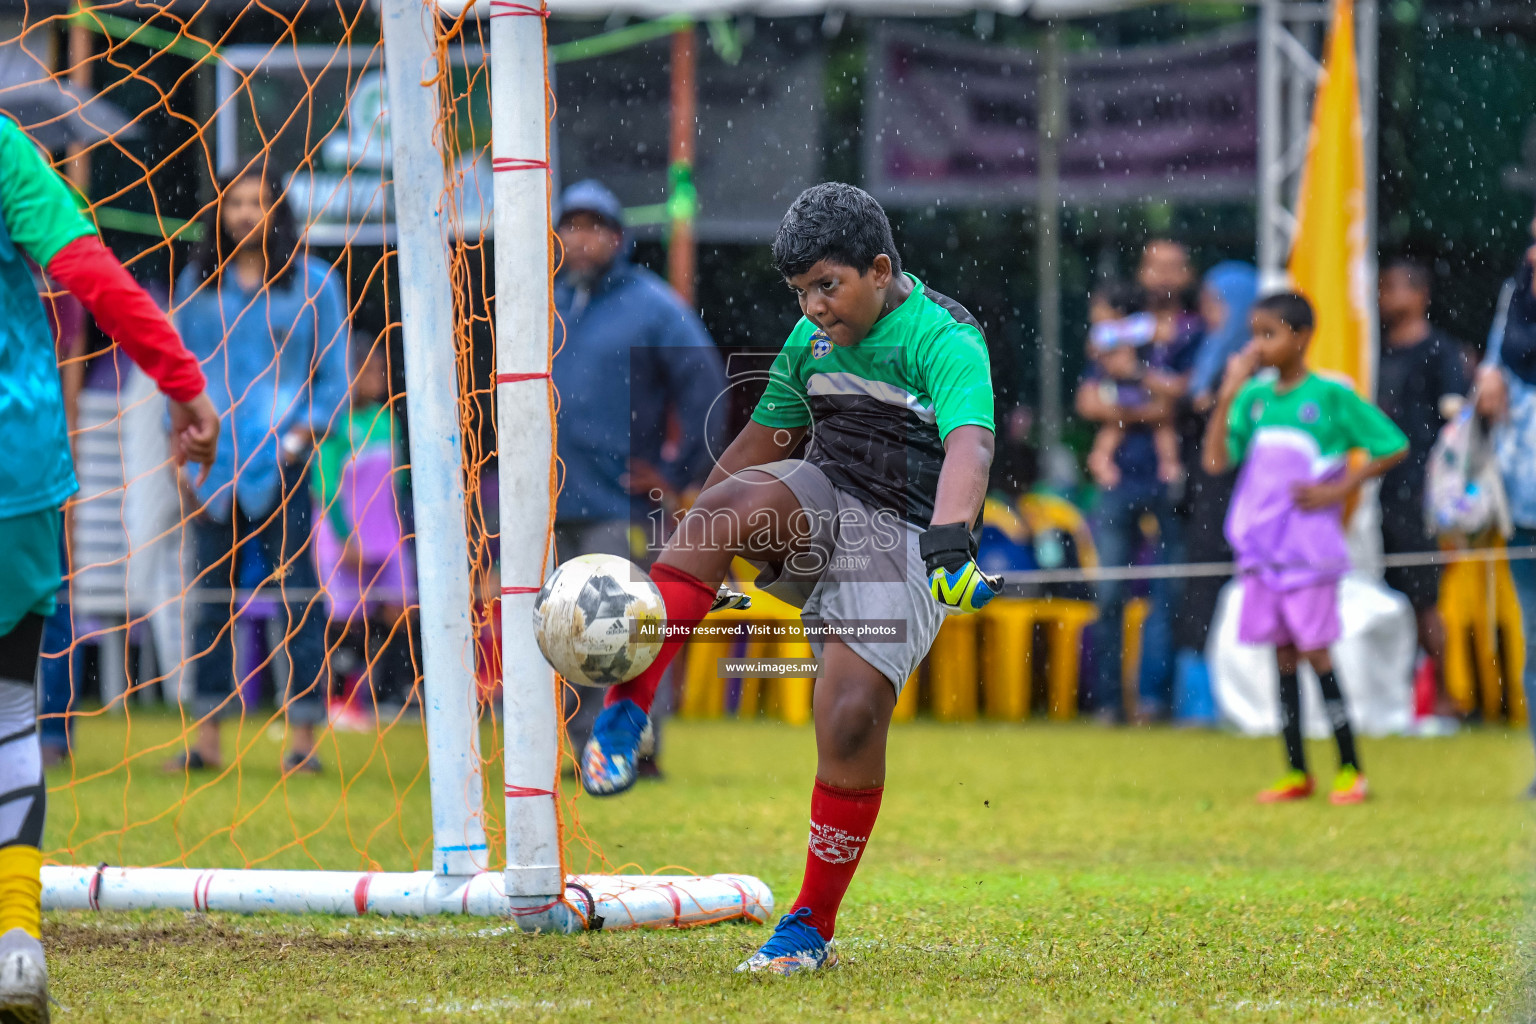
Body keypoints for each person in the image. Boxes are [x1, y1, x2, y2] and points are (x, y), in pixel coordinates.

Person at [578, 182, 996, 974]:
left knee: (845, 719)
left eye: (826, 287)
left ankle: (809, 924)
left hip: (905, 536)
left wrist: (949, 541)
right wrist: (691, 538)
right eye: (799, 291)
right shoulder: (812, 338)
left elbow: (971, 446)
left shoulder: (946, 338)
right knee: (723, 505)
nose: (812, 308)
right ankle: (628, 710)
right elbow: (756, 451)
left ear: (879, 270)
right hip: (823, 500)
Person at [0, 114, 219, 1023]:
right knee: (11, 704)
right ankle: (14, 945)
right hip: (10, 474)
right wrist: (183, 382)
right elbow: (90, 273)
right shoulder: (3, 145)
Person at [169, 169, 349, 774]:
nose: (246, 213)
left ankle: (303, 746)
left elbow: (333, 378)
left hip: (284, 466)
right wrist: (181, 454)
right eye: (235, 203)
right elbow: (179, 379)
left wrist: (300, 437)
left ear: (279, 212)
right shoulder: (197, 288)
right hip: (212, 470)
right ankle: (205, 745)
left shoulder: (314, 284)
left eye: (258, 202)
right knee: (208, 605)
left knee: (300, 599)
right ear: (217, 214)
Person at [1202, 292, 1407, 805]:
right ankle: (1296, 772)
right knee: (1284, 655)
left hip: (1309, 552)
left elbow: (1392, 444)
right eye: (1254, 333)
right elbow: (1214, 461)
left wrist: (1342, 488)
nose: (1259, 345)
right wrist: (1227, 393)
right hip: (1263, 554)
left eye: (1269, 333)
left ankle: (1350, 768)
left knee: (1316, 651)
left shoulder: (1330, 397)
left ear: (1301, 336)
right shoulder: (1253, 398)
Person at [551, 180, 725, 772]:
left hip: (619, 507)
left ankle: (638, 747)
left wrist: (676, 473)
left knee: (626, 631)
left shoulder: (652, 305)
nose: (581, 238)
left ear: (618, 237)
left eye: (594, 226)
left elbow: (706, 388)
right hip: (551, 505)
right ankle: (582, 751)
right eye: (571, 225)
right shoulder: (543, 303)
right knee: (566, 633)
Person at [1375, 259, 1468, 714]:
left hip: (1423, 492)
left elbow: (1457, 424)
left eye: (1393, 289)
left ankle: (1447, 695)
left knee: (1424, 597)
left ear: (1420, 295)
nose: (1384, 299)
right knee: (1390, 596)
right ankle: (1403, 694)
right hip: (1379, 490)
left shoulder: (1440, 351)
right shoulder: (1375, 351)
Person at [311, 338, 417, 717]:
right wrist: (344, 535)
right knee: (347, 618)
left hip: (384, 533)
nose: (380, 378)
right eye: (371, 370)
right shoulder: (334, 422)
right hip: (345, 535)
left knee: (400, 609)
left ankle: (392, 692)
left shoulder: (388, 420)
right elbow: (323, 481)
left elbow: (399, 480)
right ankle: (341, 701)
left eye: (382, 370)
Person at [1175, 261, 1258, 718]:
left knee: (1227, 589)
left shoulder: (1251, 365)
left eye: (1216, 303)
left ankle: (1232, 700)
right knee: (1198, 591)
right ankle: (1197, 703)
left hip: (1236, 493)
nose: (1207, 312)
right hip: (1204, 495)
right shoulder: (1203, 352)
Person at [1473, 211, 1536, 794]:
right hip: (1522, 499)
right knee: (1535, 638)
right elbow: (1495, 363)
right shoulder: (1516, 298)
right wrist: (1488, 377)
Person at [1083, 283, 1180, 490]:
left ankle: (1169, 463)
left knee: (1162, 427)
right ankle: (1101, 457)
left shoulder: (1136, 326)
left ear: (1116, 310)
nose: (1093, 314)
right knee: (1115, 427)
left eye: (1098, 308)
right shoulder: (1107, 332)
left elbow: (1165, 331)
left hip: (1139, 389)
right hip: (1122, 390)